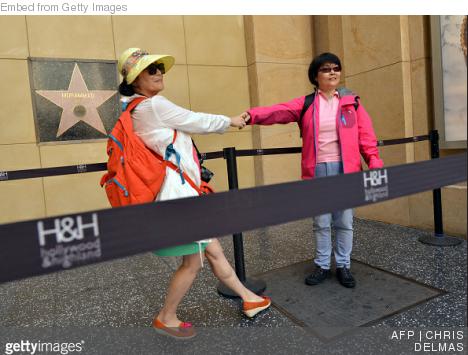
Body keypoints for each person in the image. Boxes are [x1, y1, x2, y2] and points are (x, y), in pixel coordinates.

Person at [117, 48, 271, 339]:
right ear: (136, 79)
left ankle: (249, 299)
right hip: (180, 199)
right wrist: (231, 120)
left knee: (212, 251)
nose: (159, 72)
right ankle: (166, 317)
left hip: (180, 193)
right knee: (191, 263)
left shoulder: (135, 109)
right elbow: (194, 120)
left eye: (160, 67)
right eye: (152, 70)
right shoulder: (152, 106)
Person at [242, 52, 383, 289]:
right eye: (326, 69)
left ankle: (344, 265)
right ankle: (322, 265)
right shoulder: (307, 104)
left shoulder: (351, 103)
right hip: (317, 171)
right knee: (321, 221)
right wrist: (251, 116)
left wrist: (374, 163)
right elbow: (278, 111)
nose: (332, 73)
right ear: (315, 76)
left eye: (336, 68)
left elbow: (366, 137)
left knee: (344, 220)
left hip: (345, 171)